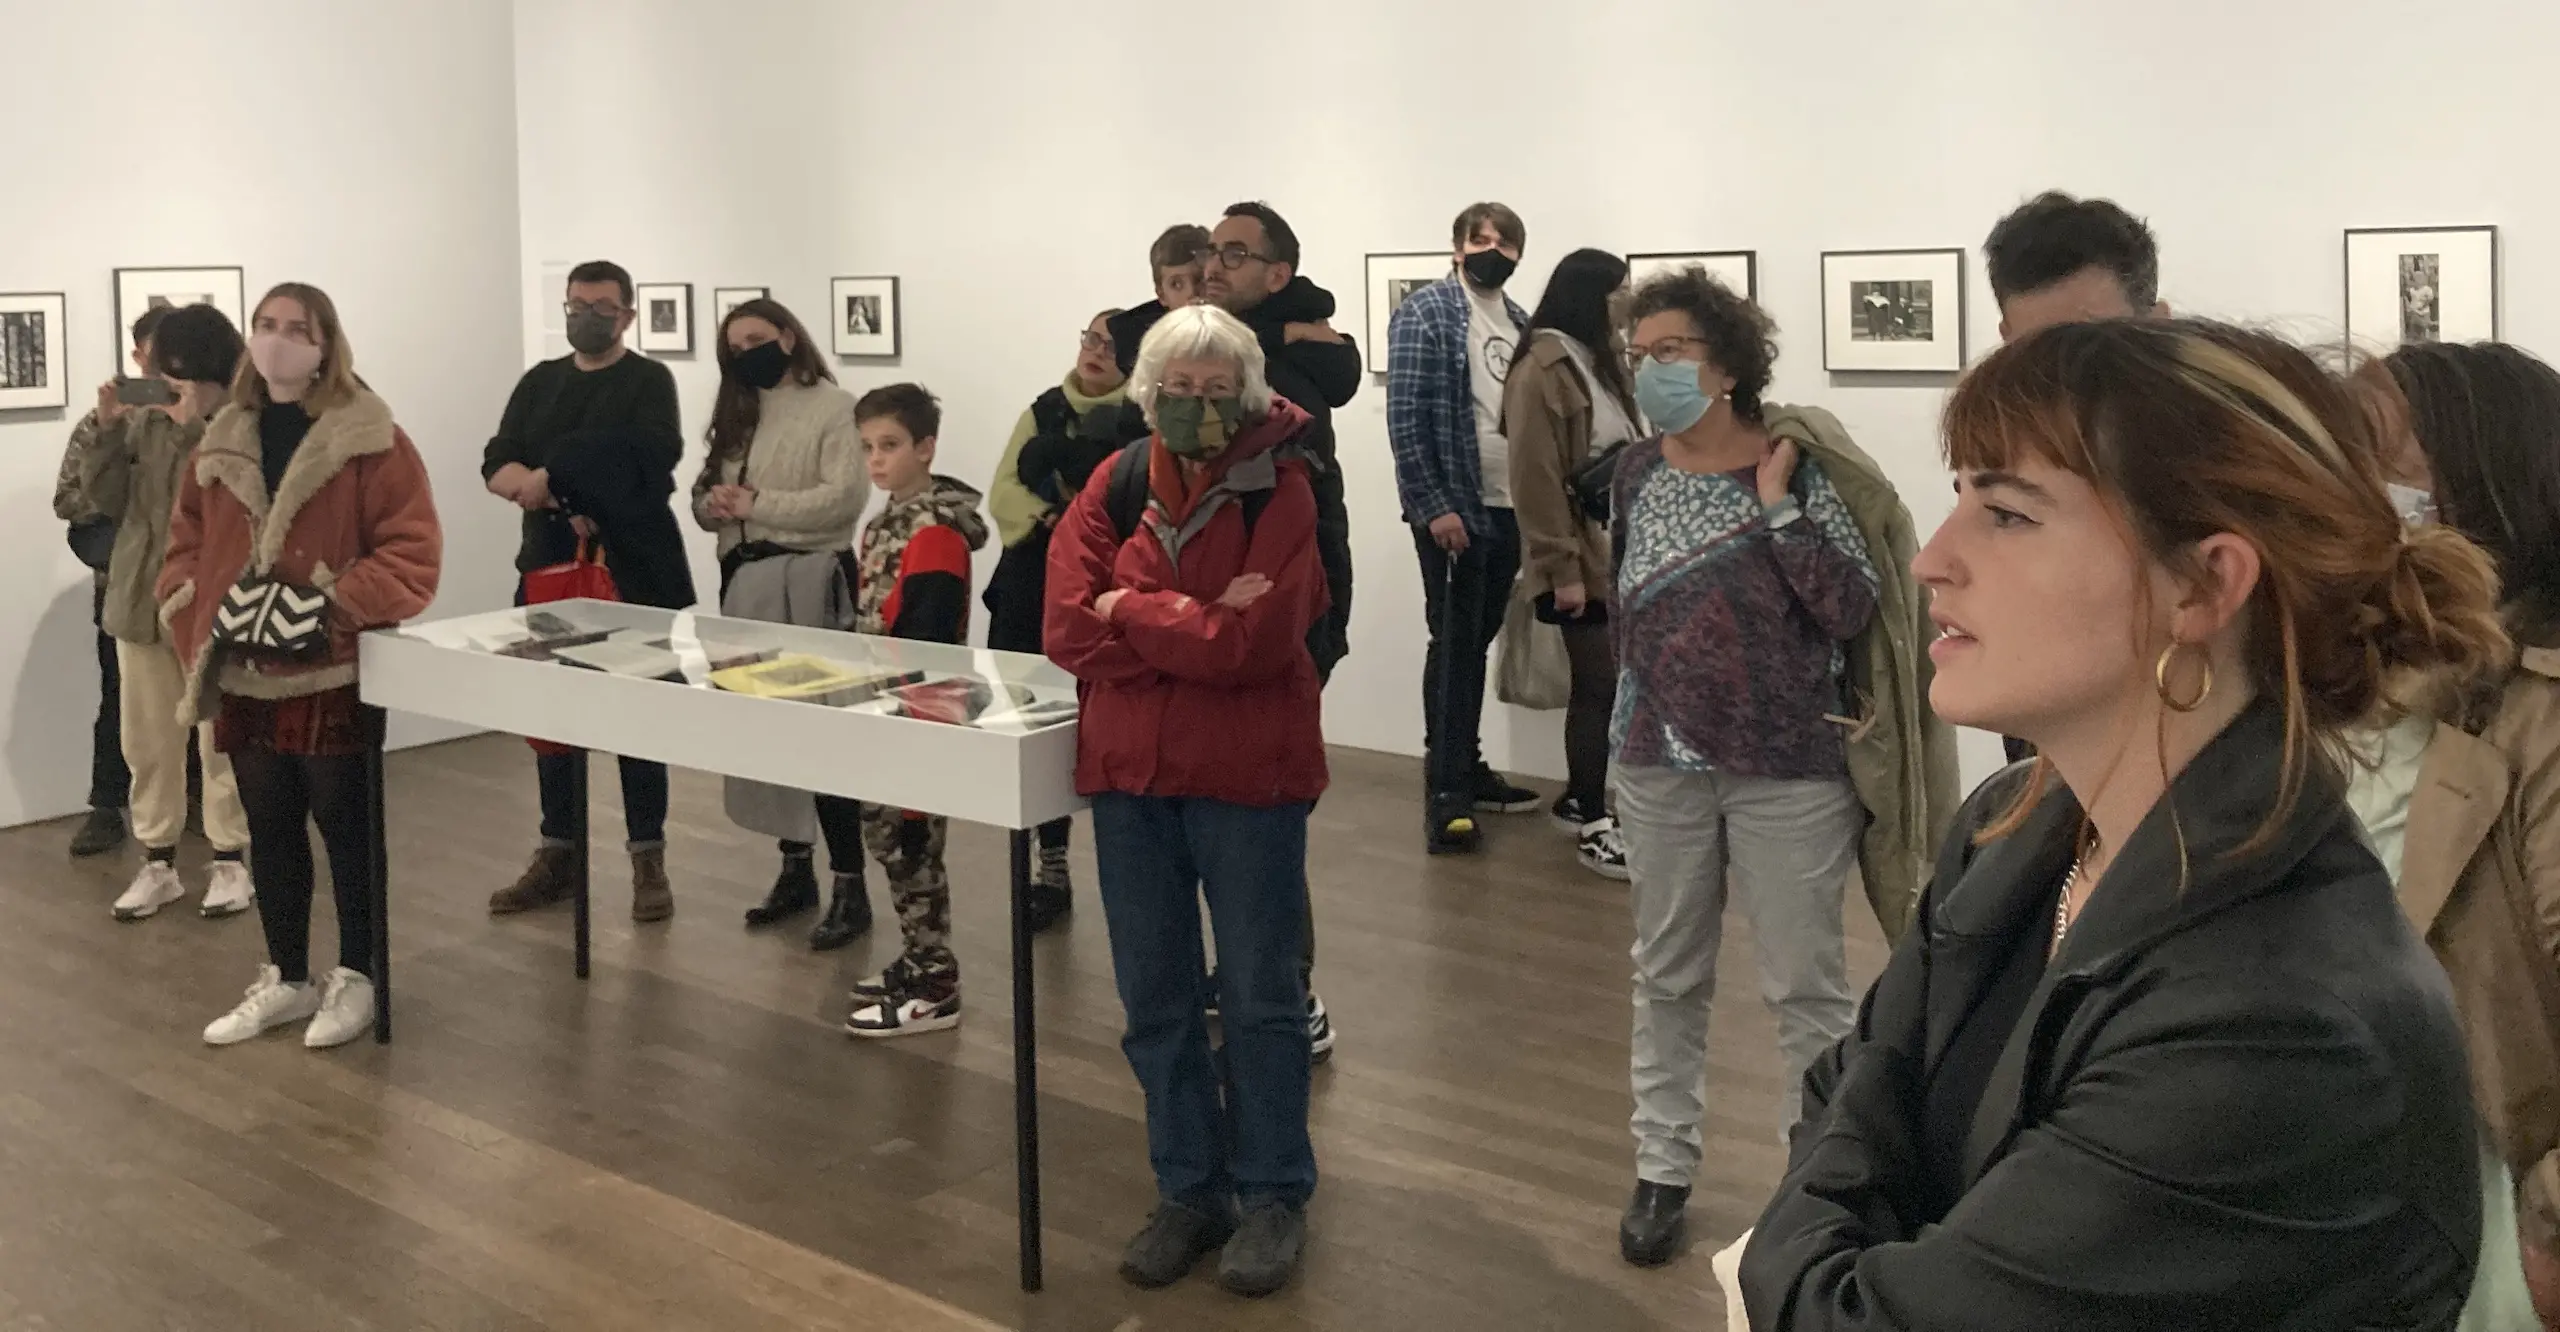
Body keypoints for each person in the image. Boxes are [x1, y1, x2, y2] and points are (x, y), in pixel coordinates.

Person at [1739, 318, 2499, 1329]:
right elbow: (1852, 1080)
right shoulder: (2011, 828)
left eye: (2006, 513)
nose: (1933, 559)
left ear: (2202, 584)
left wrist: (1795, 1243)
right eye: (1960, 495)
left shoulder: (2278, 1027)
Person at [1045, 305, 1327, 1299]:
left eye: (1218, 391)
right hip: (1130, 780)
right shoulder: (1112, 484)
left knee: (1259, 998)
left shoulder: (1283, 489)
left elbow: (1259, 646)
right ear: (1148, 392)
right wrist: (1194, 621)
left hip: (1249, 780)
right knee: (1154, 1000)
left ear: (1248, 396)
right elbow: (1068, 631)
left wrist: (1136, 609)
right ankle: (1188, 1190)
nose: (1198, 407)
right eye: (1181, 389)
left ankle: (1271, 1194)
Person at [1608, 268, 1883, 1267]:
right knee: (1666, 973)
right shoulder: (1634, 472)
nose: (1652, 369)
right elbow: (1628, 610)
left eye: (1671, 350)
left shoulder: (1794, 467)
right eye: (1639, 354)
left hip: (1786, 766)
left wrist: (1776, 509)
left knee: (1804, 986)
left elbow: (1851, 608)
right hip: (1656, 764)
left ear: (1726, 364)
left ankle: (1813, 1182)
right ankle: (1660, 1168)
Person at [163, 283, 442, 1051]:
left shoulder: (369, 437)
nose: (279, 340)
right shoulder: (226, 433)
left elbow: (412, 550)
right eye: (266, 325)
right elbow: (185, 536)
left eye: (297, 328)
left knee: (346, 828)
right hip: (243, 668)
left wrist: (329, 605)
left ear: (327, 343)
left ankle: (359, 975)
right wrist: (188, 600)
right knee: (270, 828)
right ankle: (286, 975)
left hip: (331, 668)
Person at [2349, 342, 2560, 1330]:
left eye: (2381, 462)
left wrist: (2552, 1224)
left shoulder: (2538, 712)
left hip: (2498, 1225)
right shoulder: (2358, 688)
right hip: (2366, 1194)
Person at [483, 260, 688, 924]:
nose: (585, 316)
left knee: (639, 717)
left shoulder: (649, 380)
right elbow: (497, 460)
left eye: (600, 306)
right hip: (549, 570)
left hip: (636, 572)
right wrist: (536, 482)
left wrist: (558, 471)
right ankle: (558, 851)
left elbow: (651, 458)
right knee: (554, 718)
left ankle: (647, 856)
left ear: (626, 314)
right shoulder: (540, 381)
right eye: (575, 304)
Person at [688, 299, 872, 944]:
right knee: (769, 737)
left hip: (813, 581)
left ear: (790, 337)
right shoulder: (740, 410)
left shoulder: (835, 406)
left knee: (825, 737)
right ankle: (796, 870)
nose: (746, 354)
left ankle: (851, 882)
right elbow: (709, 491)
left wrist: (757, 505)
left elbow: (844, 499)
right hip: (743, 579)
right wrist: (711, 503)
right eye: (734, 346)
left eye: (757, 340)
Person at [77, 305, 255, 921]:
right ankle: (158, 862)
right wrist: (105, 429)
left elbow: (219, 497)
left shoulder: (237, 419)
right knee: (148, 740)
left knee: (220, 739)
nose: (162, 380)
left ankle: (232, 860)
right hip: (140, 596)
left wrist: (187, 428)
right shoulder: (140, 421)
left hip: (212, 599)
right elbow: (102, 500)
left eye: (171, 369)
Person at [1983, 192, 2169, 763]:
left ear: (2158, 324)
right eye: (2037, 348)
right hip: (2046, 733)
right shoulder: (1997, 448)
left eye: (2091, 339)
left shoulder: (2216, 456)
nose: (2064, 371)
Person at [1387, 201, 1541, 853]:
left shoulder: (1522, 322)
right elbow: (1407, 416)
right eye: (1481, 239)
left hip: (1510, 505)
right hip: (1456, 506)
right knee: (1452, 642)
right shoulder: (1427, 313)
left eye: (1505, 242)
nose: (1492, 250)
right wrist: (1433, 505)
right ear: (1456, 247)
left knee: (1475, 640)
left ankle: (1467, 767)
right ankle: (1445, 792)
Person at [840, 383, 987, 1037]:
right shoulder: (883, 524)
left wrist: (900, 708)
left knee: (913, 842)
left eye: (890, 446)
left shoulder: (933, 530)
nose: (876, 460)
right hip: (881, 703)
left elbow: (924, 636)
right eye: (867, 446)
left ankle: (937, 984)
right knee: (891, 843)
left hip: (916, 708)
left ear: (926, 448)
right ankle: (919, 953)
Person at [983, 310, 1128, 933]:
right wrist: (1052, 516)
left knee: (1089, 724)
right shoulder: (1041, 410)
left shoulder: (1137, 421)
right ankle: (1051, 864)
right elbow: (1003, 492)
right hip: (1028, 587)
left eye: (1111, 346)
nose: (1095, 353)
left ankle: (1122, 858)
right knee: (1030, 721)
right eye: (1090, 339)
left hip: (1098, 589)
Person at [1501, 247, 1637, 881]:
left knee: (1610, 685)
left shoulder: (1599, 361)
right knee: (1598, 686)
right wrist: (1562, 570)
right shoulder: (1541, 369)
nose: (1627, 303)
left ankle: (1589, 801)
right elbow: (1534, 476)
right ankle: (1588, 811)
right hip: (1579, 551)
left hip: (1617, 544)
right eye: (1619, 291)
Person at [52, 309, 169, 860]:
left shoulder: (212, 420)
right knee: (121, 699)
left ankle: (196, 813)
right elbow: (69, 498)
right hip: (122, 584)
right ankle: (107, 807)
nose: (154, 364)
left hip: (189, 583)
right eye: (148, 353)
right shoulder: (105, 421)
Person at [1105, 224, 1210, 379]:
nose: (1192, 292)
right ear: (1161, 295)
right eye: (1176, 284)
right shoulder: (1140, 354)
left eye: (1201, 280)